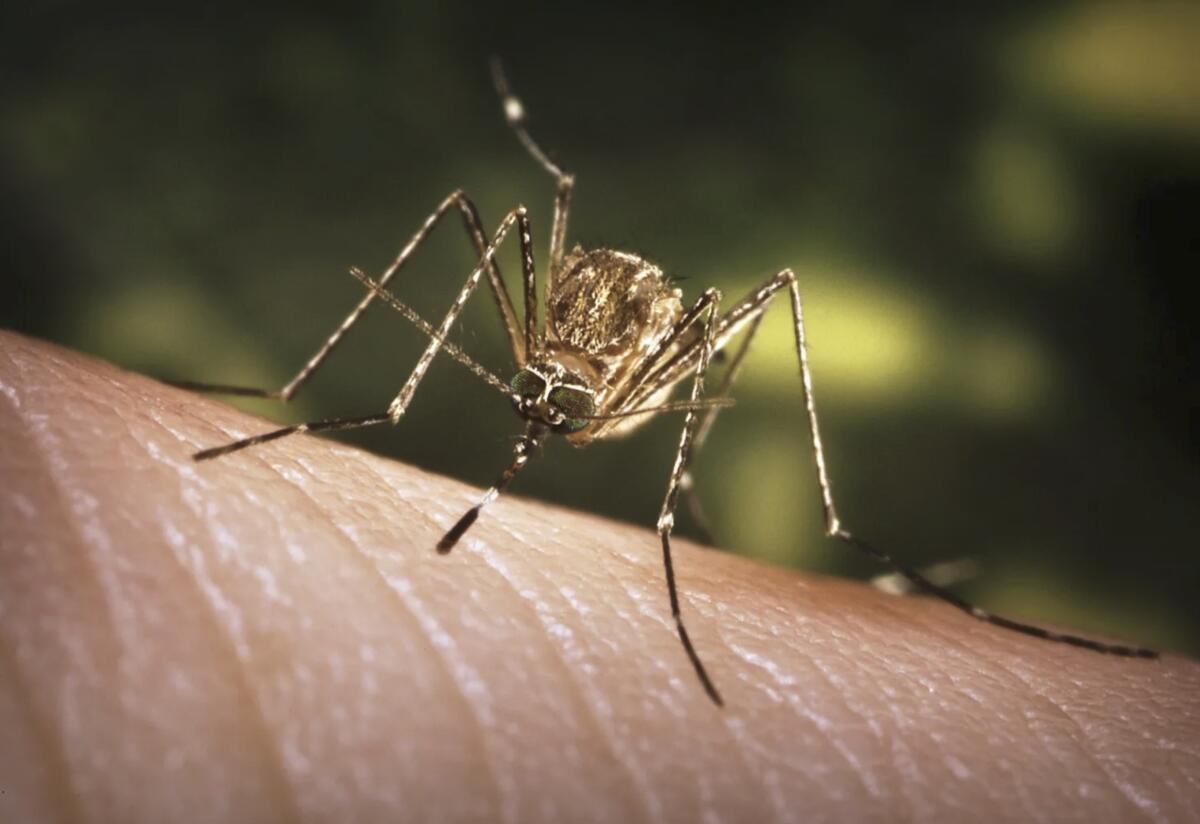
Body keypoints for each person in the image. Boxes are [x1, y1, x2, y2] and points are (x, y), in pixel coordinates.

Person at [2, 330, 1196, 822]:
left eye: (540, 415)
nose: (531, 423)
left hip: (625, 363)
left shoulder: (629, 384)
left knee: (767, 287)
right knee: (493, 208)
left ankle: (778, 526)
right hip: (575, 339)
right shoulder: (534, 360)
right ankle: (327, 400)